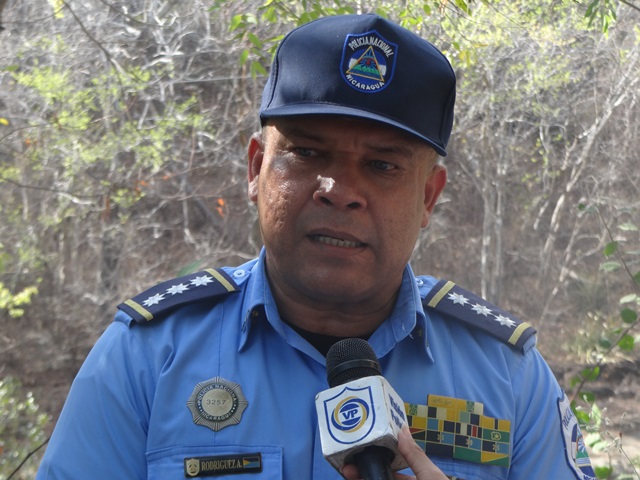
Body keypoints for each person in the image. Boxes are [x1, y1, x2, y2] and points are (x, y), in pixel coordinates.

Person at [37, 14, 596, 480]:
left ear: (428, 197)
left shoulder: (506, 376)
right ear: (257, 168)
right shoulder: (147, 357)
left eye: (382, 165)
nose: (340, 191)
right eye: (306, 153)